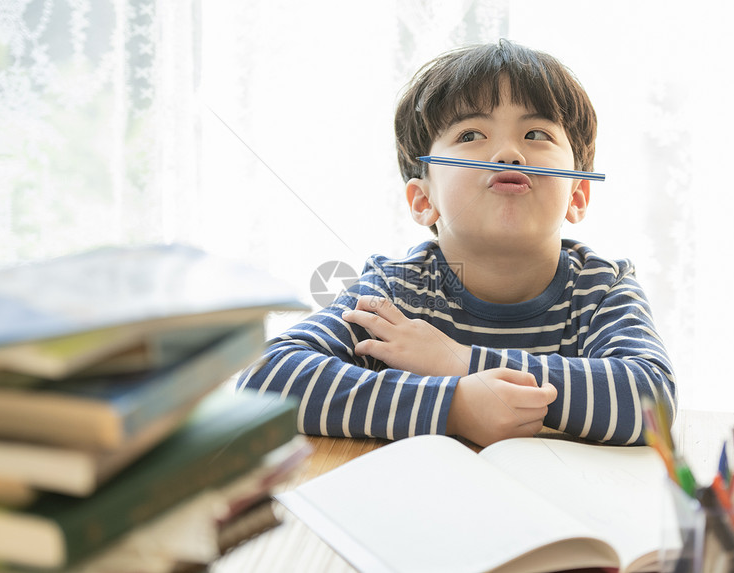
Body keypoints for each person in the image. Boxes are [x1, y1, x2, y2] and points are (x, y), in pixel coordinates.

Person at [238, 39, 676, 447]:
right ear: (423, 200)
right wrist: (454, 408)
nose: (509, 153)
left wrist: (458, 360)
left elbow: (651, 401)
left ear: (577, 195)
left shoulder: (602, 287)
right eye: (471, 135)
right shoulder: (397, 290)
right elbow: (264, 380)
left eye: (536, 135)